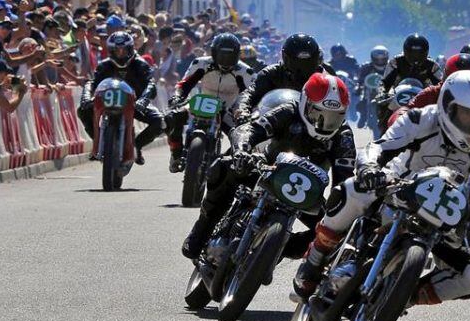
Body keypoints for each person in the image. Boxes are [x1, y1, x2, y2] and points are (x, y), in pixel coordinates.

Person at [293, 70, 470, 307]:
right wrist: (370, 168)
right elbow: (380, 147)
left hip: (444, 211)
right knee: (352, 188)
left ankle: (405, 297)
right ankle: (316, 257)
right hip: (396, 185)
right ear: (447, 105)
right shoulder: (420, 119)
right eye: (466, 114)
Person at [181, 71, 356, 262]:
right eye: (318, 114)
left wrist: (339, 211)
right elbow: (250, 130)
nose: (326, 123)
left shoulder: (343, 136)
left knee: (339, 231)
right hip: (265, 169)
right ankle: (201, 229)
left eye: (334, 117)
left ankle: (282, 249)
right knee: (223, 166)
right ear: (305, 103)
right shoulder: (289, 110)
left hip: (306, 192)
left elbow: (344, 181)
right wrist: (241, 151)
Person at [165, 33, 252, 172]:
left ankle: (230, 166)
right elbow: (184, 84)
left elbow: (250, 94)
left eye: (229, 56)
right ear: (214, 53)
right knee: (172, 117)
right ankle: (176, 154)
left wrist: (244, 111)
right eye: (222, 55)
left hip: (228, 110)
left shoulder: (246, 71)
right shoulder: (200, 63)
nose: (225, 60)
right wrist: (177, 97)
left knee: (242, 137)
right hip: (201, 104)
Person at [77, 31, 164, 164]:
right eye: (116, 50)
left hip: (135, 104)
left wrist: (143, 100)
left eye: (124, 50)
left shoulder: (141, 64)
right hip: (108, 101)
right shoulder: (104, 65)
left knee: (159, 121)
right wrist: (86, 97)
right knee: (82, 110)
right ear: (111, 50)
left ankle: (137, 146)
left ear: (130, 49)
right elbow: (92, 82)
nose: (120, 53)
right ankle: (99, 141)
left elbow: (150, 84)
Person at [231, 33, 326, 122]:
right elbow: (250, 93)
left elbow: (336, 98)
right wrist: (242, 110)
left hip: (313, 125)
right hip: (274, 124)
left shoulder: (324, 77)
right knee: (240, 132)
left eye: (307, 62)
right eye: (297, 61)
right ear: (286, 57)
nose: (301, 66)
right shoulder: (273, 73)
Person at [377, 33, 441, 131]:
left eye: (419, 53)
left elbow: (440, 84)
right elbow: (385, 82)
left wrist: (441, 96)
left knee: (438, 114)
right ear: (406, 51)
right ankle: (383, 132)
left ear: (426, 52)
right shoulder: (396, 61)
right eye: (413, 53)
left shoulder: (432, 65)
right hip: (397, 94)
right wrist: (382, 93)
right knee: (382, 106)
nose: (416, 56)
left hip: (423, 95)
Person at [355, 45, 390, 128]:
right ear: (372, 58)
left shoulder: (390, 66)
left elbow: (395, 77)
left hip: (385, 89)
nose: (380, 61)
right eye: (377, 59)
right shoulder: (366, 67)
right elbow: (360, 79)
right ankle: (363, 117)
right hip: (369, 89)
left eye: (382, 59)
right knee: (361, 101)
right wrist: (359, 87)